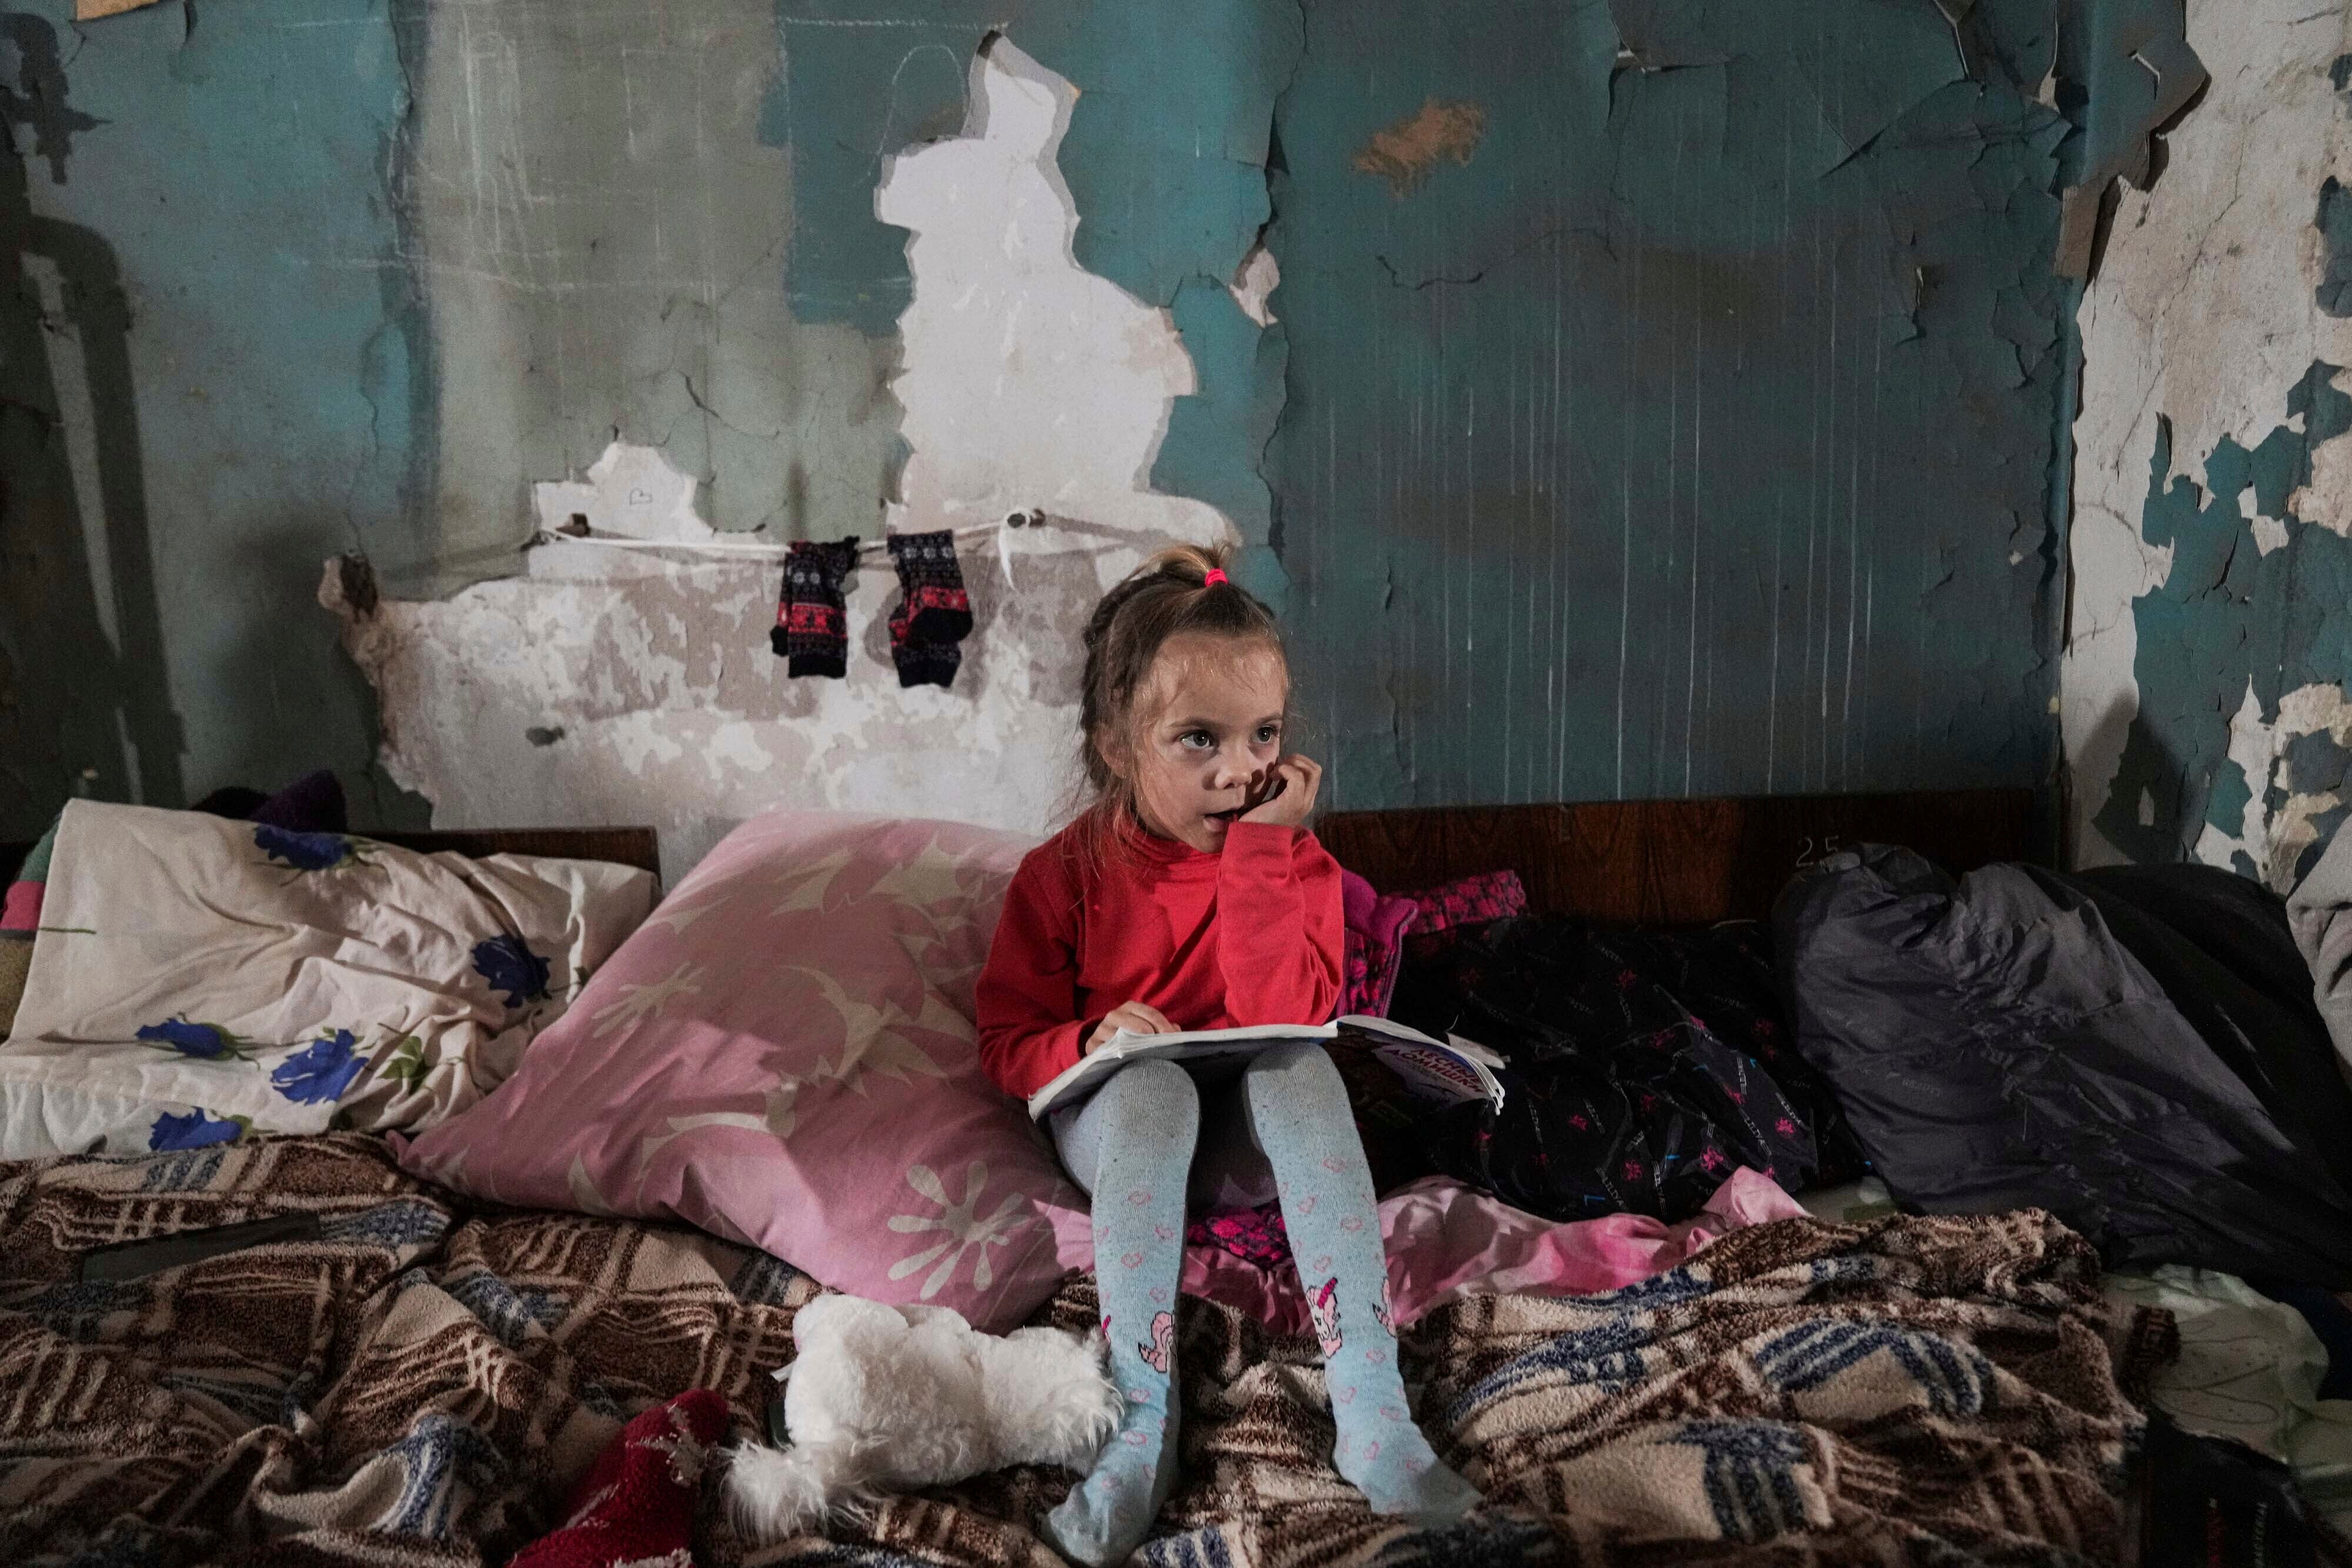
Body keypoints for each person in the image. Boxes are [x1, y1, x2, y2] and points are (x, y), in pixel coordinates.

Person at [975, 543, 1479, 1565]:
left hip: (1244, 1139)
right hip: (1129, 1129)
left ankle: (1373, 1409)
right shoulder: (1061, 875)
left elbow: (1285, 1009)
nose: (1240, 770)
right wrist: (1092, 1037)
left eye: (1263, 736)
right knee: (1154, 1081)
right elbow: (1007, 1040)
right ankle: (1137, 1425)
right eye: (1198, 739)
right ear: (1118, 744)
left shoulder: (1294, 862)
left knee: (1297, 1068)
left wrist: (1264, 857)